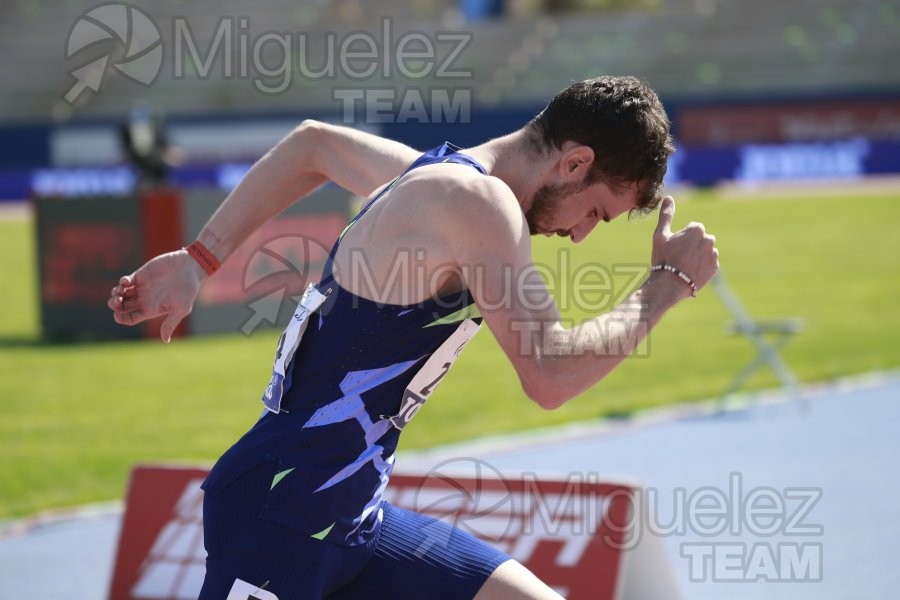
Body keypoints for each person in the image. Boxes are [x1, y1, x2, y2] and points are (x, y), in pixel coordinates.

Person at [108, 76, 718, 599]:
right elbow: (550, 376)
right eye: (595, 213)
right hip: (281, 514)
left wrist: (199, 260)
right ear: (575, 163)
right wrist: (664, 286)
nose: (582, 236)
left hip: (351, 519)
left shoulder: (436, 178)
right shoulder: (475, 203)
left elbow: (314, 146)